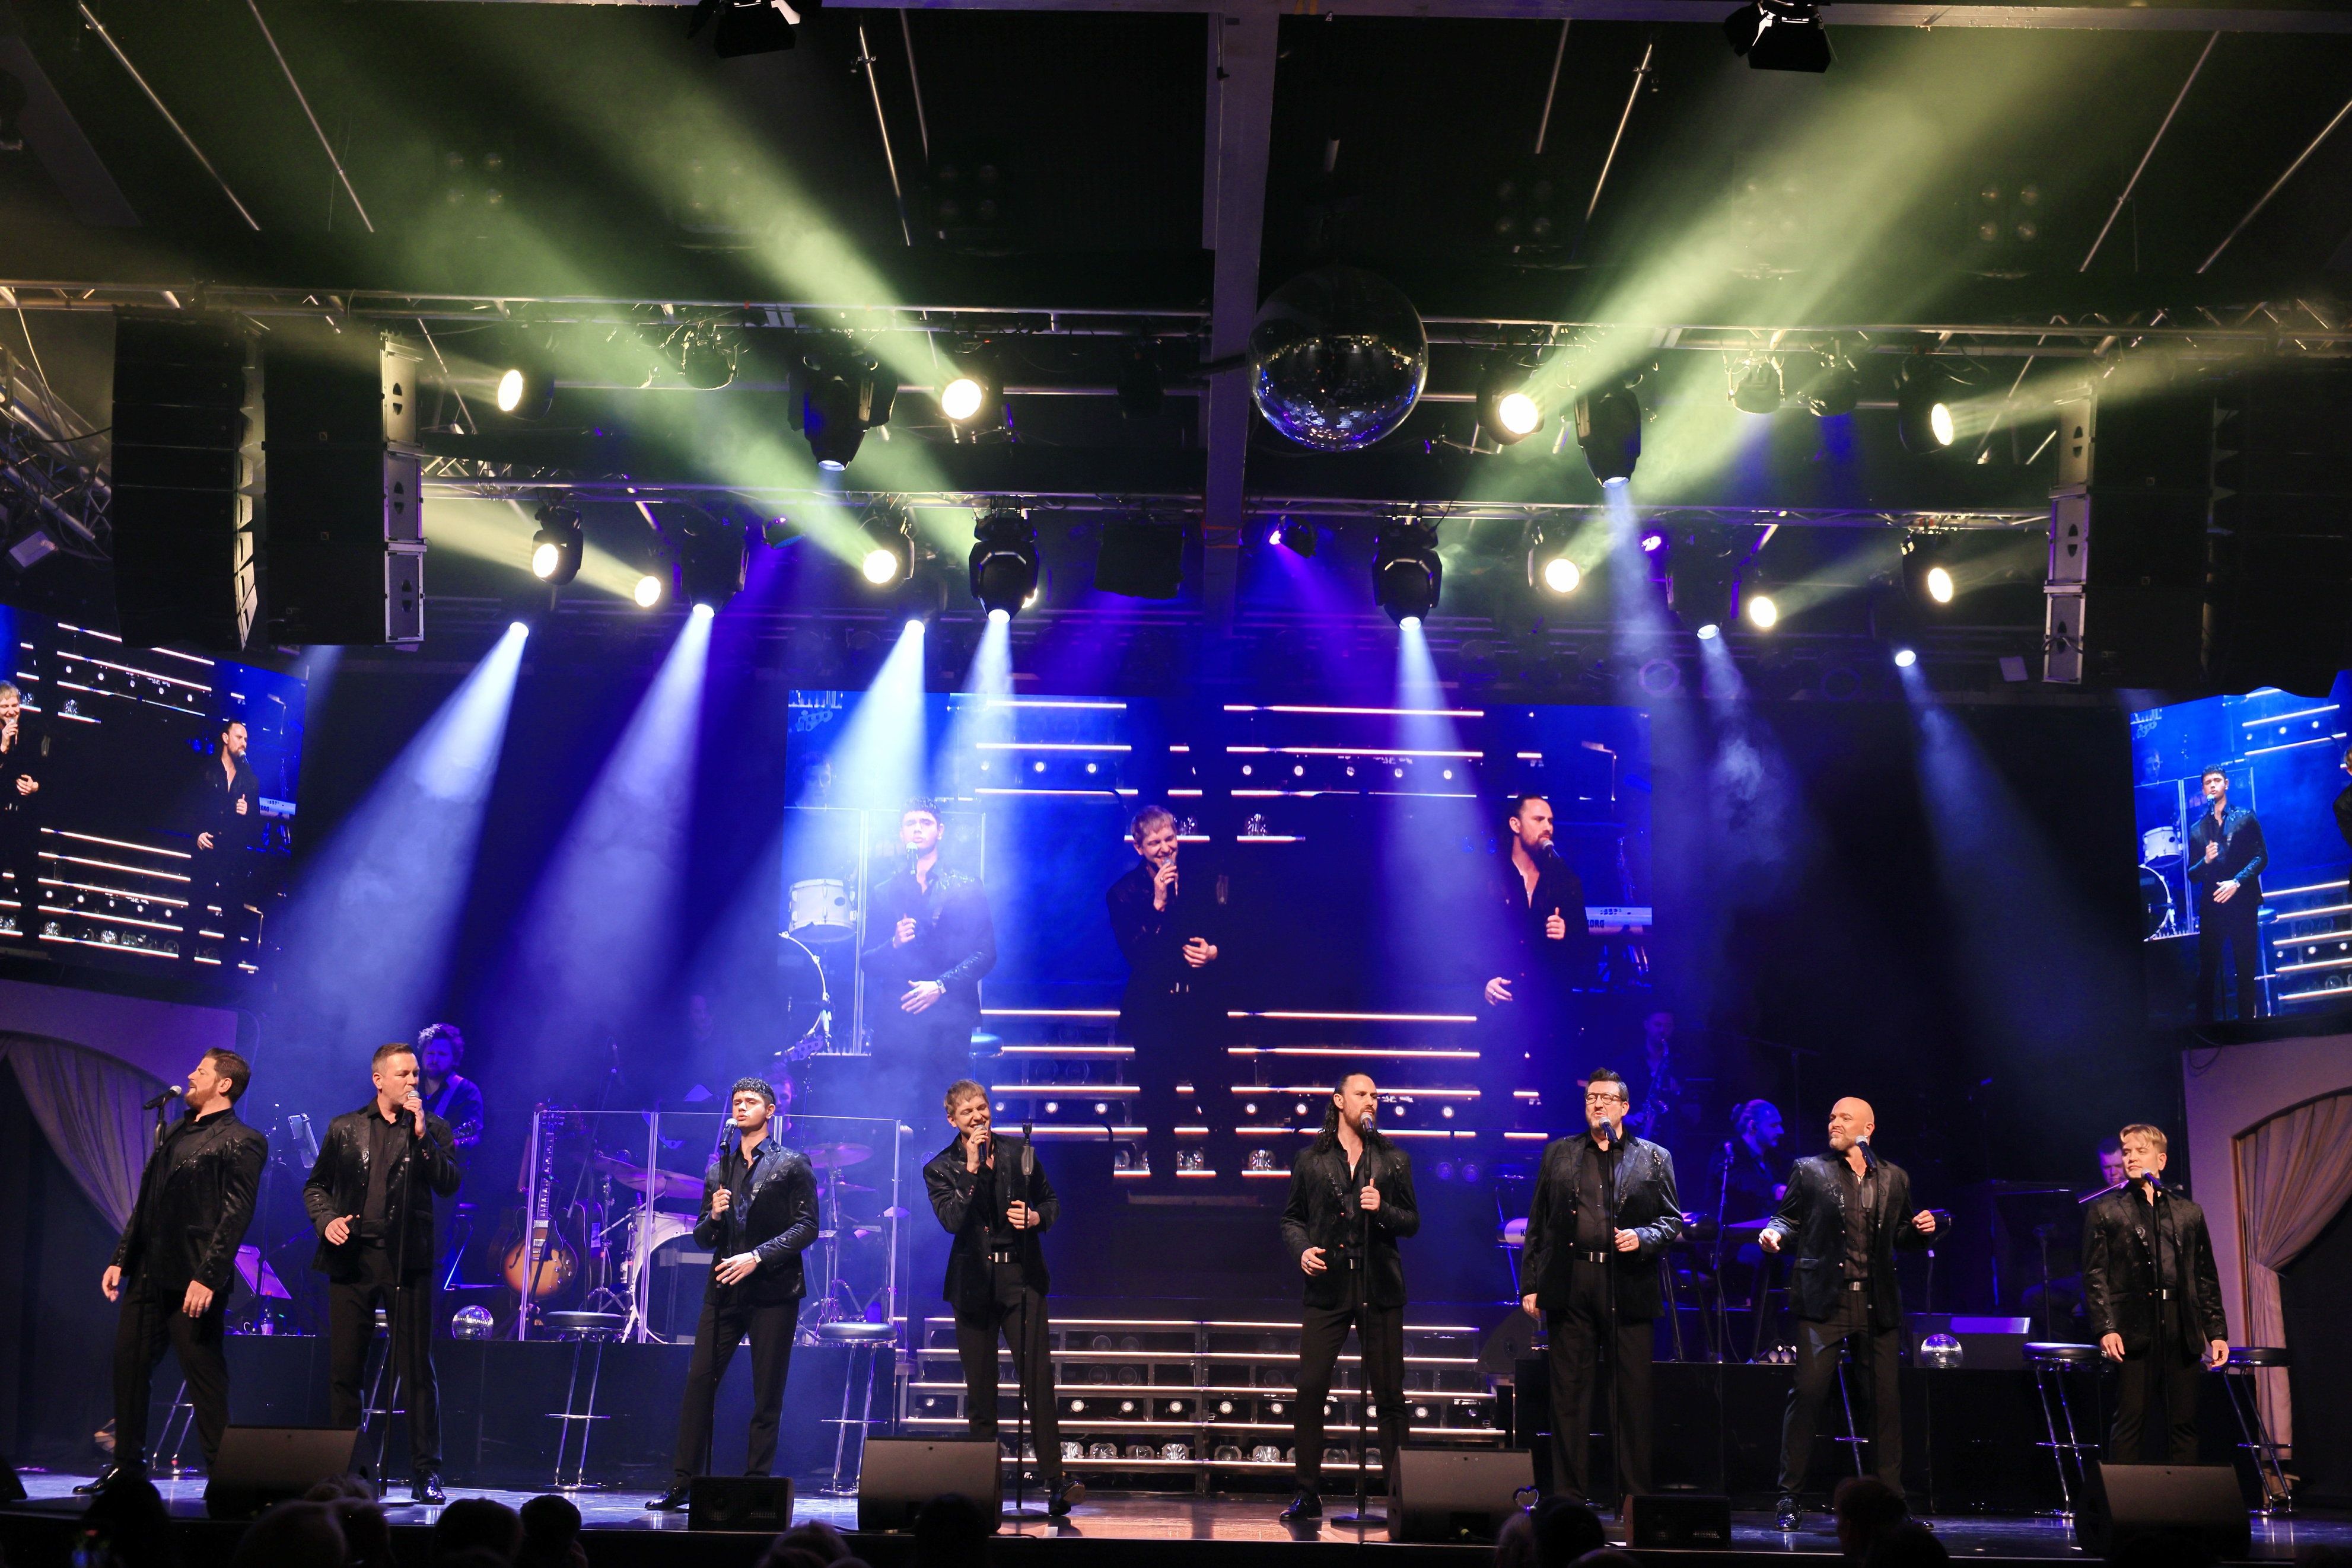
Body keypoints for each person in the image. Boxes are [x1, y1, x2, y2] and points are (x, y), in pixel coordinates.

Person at [76, 1049, 265, 1490]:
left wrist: (208, 1275)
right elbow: (149, 1201)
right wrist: (121, 1258)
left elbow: (235, 1214)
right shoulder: (176, 1130)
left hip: (193, 1278)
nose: (190, 1075)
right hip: (149, 1272)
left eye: (200, 1071)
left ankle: (227, 1475)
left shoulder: (243, 1139)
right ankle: (127, 1465)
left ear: (223, 1084)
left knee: (204, 1374)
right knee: (129, 1365)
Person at [1761, 1097, 1939, 1528]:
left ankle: (1892, 1503)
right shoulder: (1810, 1170)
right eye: (1831, 1117)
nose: (1833, 1123)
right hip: (1824, 1301)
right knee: (1807, 1395)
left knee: (1884, 1404)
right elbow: (1787, 1219)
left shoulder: (1893, 1177)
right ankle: (1789, 1497)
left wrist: (1922, 1230)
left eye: (1844, 1118)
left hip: (1876, 1303)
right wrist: (1773, 1233)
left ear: (1868, 1128)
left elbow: (1900, 1233)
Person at [303, 1041, 464, 1504]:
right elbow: (316, 1185)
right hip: (353, 1257)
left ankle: (426, 1471)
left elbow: (450, 1183)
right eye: (404, 1075)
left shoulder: (432, 1128)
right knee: (345, 1369)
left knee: (415, 1369)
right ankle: (349, 1471)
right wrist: (326, 1219)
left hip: (405, 1259)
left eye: (416, 1074)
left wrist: (423, 1138)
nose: (413, 1082)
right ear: (379, 1079)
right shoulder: (345, 1128)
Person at [647, 1077, 819, 1512]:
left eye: (751, 1102)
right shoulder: (717, 1169)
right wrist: (714, 1215)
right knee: (699, 1383)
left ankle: (756, 1482)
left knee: (767, 1390)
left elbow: (807, 1227)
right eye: (737, 1102)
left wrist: (758, 1257)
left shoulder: (791, 1163)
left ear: (771, 1111)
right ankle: (683, 1481)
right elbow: (705, 1238)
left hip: (773, 1290)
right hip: (723, 1289)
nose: (741, 1108)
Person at [1519, 1068, 1682, 1508]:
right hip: (1571, 1283)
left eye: (1607, 1098)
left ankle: (1633, 1499)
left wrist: (1642, 1237)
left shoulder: (1652, 1157)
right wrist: (1530, 1283)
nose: (1597, 1104)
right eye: (1591, 1097)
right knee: (1569, 1396)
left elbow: (1671, 1220)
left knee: (1630, 1398)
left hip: (1626, 1283)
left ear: (1625, 1107)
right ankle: (1569, 1497)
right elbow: (1538, 1222)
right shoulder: (1560, 1153)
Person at [924, 1078, 1080, 1517]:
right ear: (952, 1120)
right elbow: (952, 1221)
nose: (979, 1117)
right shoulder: (939, 1168)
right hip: (973, 1285)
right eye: (968, 1112)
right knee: (982, 1391)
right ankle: (982, 1486)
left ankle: (1055, 1481)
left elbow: (1050, 1202)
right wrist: (971, 1169)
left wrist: (1036, 1217)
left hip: (1020, 1278)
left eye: (983, 1108)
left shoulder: (1018, 1152)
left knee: (1038, 1382)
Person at [1275, 1071, 1421, 1522]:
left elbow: (1412, 1221)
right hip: (1329, 1285)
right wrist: (1301, 1251)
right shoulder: (1310, 1159)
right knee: (1311, 1386)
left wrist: (1384, 1211)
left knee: (1389, 1394)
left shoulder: (1393, 1159)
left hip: (1378, 1284)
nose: (1370, 1102)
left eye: (1375, 1095)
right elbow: (1291, 1219)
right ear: (1339, 1101)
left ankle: (1400, 1495)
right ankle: (1307, 1492)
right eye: (1362, 1095)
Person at [2081, 1123, 2229, 1464]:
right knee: (2131, 1419)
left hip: (2181, 1323)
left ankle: (2183, 1508)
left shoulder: (2188, 1212)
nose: (2131, 1158)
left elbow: (2204, 1275)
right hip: (2134, 1324)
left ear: (2160, 1160)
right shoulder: (2106, 1209)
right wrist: (2106, 1327)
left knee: (2184, 1423)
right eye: (2127, 1151)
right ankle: (2126, 1509)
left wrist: (2216, 1332)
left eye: (2140, 1151)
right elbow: (2094, 1274)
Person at [1106, 803, 1231, 1181]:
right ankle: (1162, 1193)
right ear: (1139, 848)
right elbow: (1138, 955)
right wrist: (1157, 904)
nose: (1165, 848)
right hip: (1155, 1013)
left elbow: (1233, 933)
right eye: (1155, 842)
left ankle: (1231, 1190)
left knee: (1218, 1103)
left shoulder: (1202, 881)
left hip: (1201, 1008)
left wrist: (1214, 952)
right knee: (1159, 1108)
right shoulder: (1124, 893)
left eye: (1170, 839)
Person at [861, 802, 997, 1121]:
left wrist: (941, 985)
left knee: (943, 1112)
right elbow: (867, 961)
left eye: (926, 822)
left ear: (940, 831)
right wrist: (893, 943)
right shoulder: (885, 891)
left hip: (948, 1020)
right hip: (898, 1018)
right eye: (911, 823)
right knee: (891, 1111)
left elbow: (986, 953)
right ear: (901, 833)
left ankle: (946, 1172)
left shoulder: (965, 886)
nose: (918, 829)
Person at [1483, 793, 1593, 1107]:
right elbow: (1465, 937)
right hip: (1505, 1004)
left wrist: (1567, 934)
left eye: (1551, 821)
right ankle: (1483, 1156)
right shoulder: (1490, 877)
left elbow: (1585, 953)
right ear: (1515, 825)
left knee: (1557, 1095)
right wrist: (1483, 980)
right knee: (1495, 1097)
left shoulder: (1566, 881)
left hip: (1551, 1007)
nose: (1548, 827)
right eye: (1539, 819)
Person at [2186, 766, 2265, 1022]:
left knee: (2245, 970)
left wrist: (2237, 882)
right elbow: (2192, 874)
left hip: (2242, 903)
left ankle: (2247, 1028)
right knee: (2207, 972)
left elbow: (2261, 857)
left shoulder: (2245, 818)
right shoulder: (2198, 829)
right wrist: (2205, 862)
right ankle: (2206, 1032)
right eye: (2208, 782)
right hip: (2213, 908)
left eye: (2217, 780)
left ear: (2226, 784)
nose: (2212, 785)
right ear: (2203, 789)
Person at [183, 716, 262, 968]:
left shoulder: (250, 781)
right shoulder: (205, 770)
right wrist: (196, 834)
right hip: (207, 852)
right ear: (226, 739)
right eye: (239, 738)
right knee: (195, 914)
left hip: (232, 857)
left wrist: (247, 812)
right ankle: (183, 972)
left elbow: (256, 829)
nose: (244, 744)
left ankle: (227, 981)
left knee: (231, 920)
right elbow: (188, 809)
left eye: (247, 740)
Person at [414, 1024, 483, 1290]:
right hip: (408, 1179)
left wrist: (447, 1143)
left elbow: (474, 1136)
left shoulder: (465, 1091)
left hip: (443, 1182)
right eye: (430, 1053)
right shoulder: (411, 1088)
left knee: (434, 1250)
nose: (434, 1059)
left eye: (442, 1054)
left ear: (454, 1058)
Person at [1704, 1099, 1788, 1311]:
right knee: (1774, 1260)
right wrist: (1775, 1190)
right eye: (1774, 1125)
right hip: (1729, 1244)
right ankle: (1764, 1332)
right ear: (1753, 1126)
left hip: (1758, 1238)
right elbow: (1741, 1180)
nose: (1781, 1131)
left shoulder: (1770, 1160)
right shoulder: (1728, 1151)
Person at [0, 681, 49, 942]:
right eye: (5, 706)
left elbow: (50, 770)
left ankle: (31, 941)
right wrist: (4, 745)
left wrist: (36, 786)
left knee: (28, 884)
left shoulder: (31, 733)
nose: (11, 711)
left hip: (24, 821)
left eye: (15, 705)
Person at [1621, 1011, 1690, 1171]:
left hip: (1668, 1139)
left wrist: (1678, 1092)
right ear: (1646, 1025)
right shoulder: (1627, 1062)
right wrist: (1629, 1118)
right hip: (1634, 1132)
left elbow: (1688, 1108)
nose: (1662, 1030)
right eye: (1657, 1025)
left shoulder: (1678, 1064)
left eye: (1667, 1026)